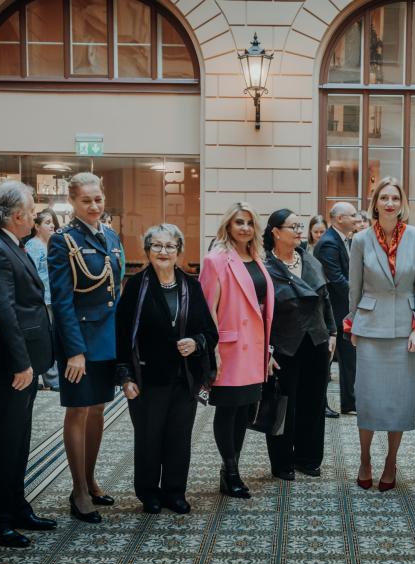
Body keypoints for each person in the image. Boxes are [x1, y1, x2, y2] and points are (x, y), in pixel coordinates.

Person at [0, 181, 56, 547]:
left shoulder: (4, 241)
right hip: (9, 365)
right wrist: (22, 363)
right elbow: (3, 312)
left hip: (23, 362)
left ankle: (15, 505)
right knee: (1, 441)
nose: (35, 215)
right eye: (32, 209)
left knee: (18, 439)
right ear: (18, 215)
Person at [117, 224, 218, 514]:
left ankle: (175, 492)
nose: (163, 252)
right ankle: (149, 493)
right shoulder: (136, 286)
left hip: (184, 378)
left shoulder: (192, 286)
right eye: (157, 246)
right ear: (148, 251)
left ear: (178, 252)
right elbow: (122, 333)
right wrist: (125, 375)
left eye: (170, 246)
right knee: (149, 437)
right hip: (146, 377)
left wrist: (196, 343)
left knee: (179, 437)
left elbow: (211, 333)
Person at [347, 177, 415, 491]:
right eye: (384, 198)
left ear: (402, 203)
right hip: (369, 327)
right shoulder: (360, 240)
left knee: (399, 401)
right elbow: (353, 287)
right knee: (368, 399)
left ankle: (391, 461)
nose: (390, 203)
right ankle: (365, 458)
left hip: (404, 330)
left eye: (395, 198)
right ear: (375, 203)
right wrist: (352, 325)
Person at [48, 172, 124, 523]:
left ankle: (91, 479)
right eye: (86, 201)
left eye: (98, 199)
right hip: (79, 341)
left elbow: (114, 290)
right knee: (78, 411)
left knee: (98, 411)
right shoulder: (63, 240)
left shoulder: (109, 235)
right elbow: (62, 302)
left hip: (107, 337)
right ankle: (78, 489)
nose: (94, 206)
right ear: (73, 202)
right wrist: (74, 350)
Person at [199, 203, 275, 498]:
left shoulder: (257, 257)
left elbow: (264, 307)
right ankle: (230, 471)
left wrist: (269, 350)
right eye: (239, 222)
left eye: (249, 223)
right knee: (229, 410)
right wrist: (212, 349)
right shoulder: (215, 260)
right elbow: (208, 309)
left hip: (255, 347)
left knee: (245, 411)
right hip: (230, 348)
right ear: (228, 226)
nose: (245, 227)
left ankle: (232, 467)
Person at [263, 209, 336, 480]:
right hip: (284, 344)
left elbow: (325, 298)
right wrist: (266, 351)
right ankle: (282, 463)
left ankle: (308, 458)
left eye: (299, 225)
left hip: (316, 340)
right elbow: (261, 315)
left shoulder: (310, 260)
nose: (298, 230)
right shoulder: (267, 268)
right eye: (292, 226)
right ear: (275, 232)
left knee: (313, 403)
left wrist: (332, 332)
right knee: (284, 404)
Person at [314, 202, 358, 415]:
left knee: (348, 357)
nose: (356, 219)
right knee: (326, 361)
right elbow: (337, 279)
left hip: (341, 310)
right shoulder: (330, 242)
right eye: (352, 215)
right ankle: (320, 404)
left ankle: (349, 402)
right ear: (340, 219)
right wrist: (357, 297)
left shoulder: (341, 239)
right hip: (332, 311)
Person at [26, 209, 61, 391]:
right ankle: (51, 379)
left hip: (53, 298)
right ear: (37, 227)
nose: (52, 225)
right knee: (46, 339)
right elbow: (31, 275)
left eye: (52, 222)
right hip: (42, 299)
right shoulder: (34, 245)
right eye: (47, 222)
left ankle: (53, 376)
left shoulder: (51, 245)